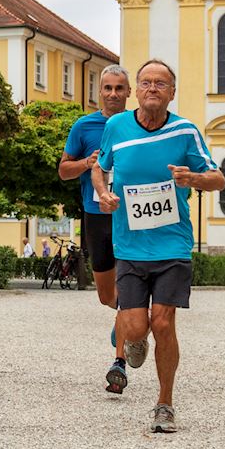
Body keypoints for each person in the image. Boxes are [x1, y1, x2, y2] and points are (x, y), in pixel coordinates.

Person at [94, 59, 224, 434]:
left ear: (172, 92)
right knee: (135, 329)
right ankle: (136, 342)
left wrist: (194, 177)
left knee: (164, 323)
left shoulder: (186, 132)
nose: (153, 88)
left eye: (161, 84)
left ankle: (164, 403)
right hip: (130, 246)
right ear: (136, 89)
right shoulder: (116, 126)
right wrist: (103, 193)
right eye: (146, 82)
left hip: (172, 244)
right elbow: (99, 167)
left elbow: (218, 178)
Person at [58, 63, 133, 393]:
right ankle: (126, 316)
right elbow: (63, 170)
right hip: (96, 213)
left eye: (120, 88)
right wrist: (87, 164)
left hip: (134, 217)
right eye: (108, 88)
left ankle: (119, 361)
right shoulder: (84, 126)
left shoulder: (139, 125)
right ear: (99, 92)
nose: (114, 94)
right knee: (107, 295)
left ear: (129, 92)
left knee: (127, 290)